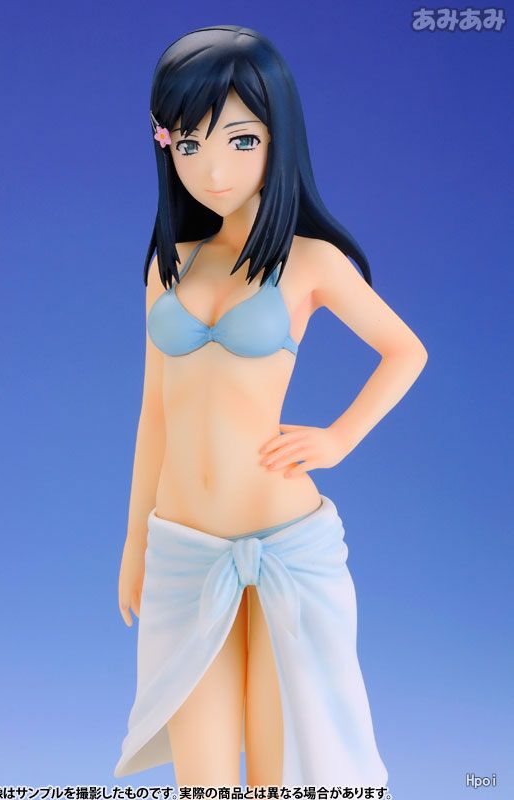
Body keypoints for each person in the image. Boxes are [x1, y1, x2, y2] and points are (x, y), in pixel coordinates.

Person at [114, 25, 427, 789]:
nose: (213, 169)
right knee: (202, 774)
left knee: (283, 769)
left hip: (286, 543)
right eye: (190, 144)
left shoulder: (312, 262)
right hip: (184, 549)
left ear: (278, 137)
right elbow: (155, 413)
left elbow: (405, 351)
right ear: (166, 147)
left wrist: (340, 438)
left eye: (241, 139)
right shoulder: (169, 266)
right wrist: (134, 541)